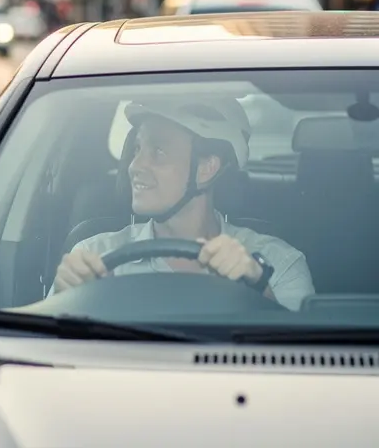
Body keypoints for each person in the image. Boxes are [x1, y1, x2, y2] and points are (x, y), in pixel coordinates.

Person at [51, 98, 315, 311]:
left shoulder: (278, 264)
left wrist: (257, 290)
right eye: (137, 150)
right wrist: (71, 303)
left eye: (159, 152)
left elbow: (306, 366)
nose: (135, 166)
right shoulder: (93, 256)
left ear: (206, 168)